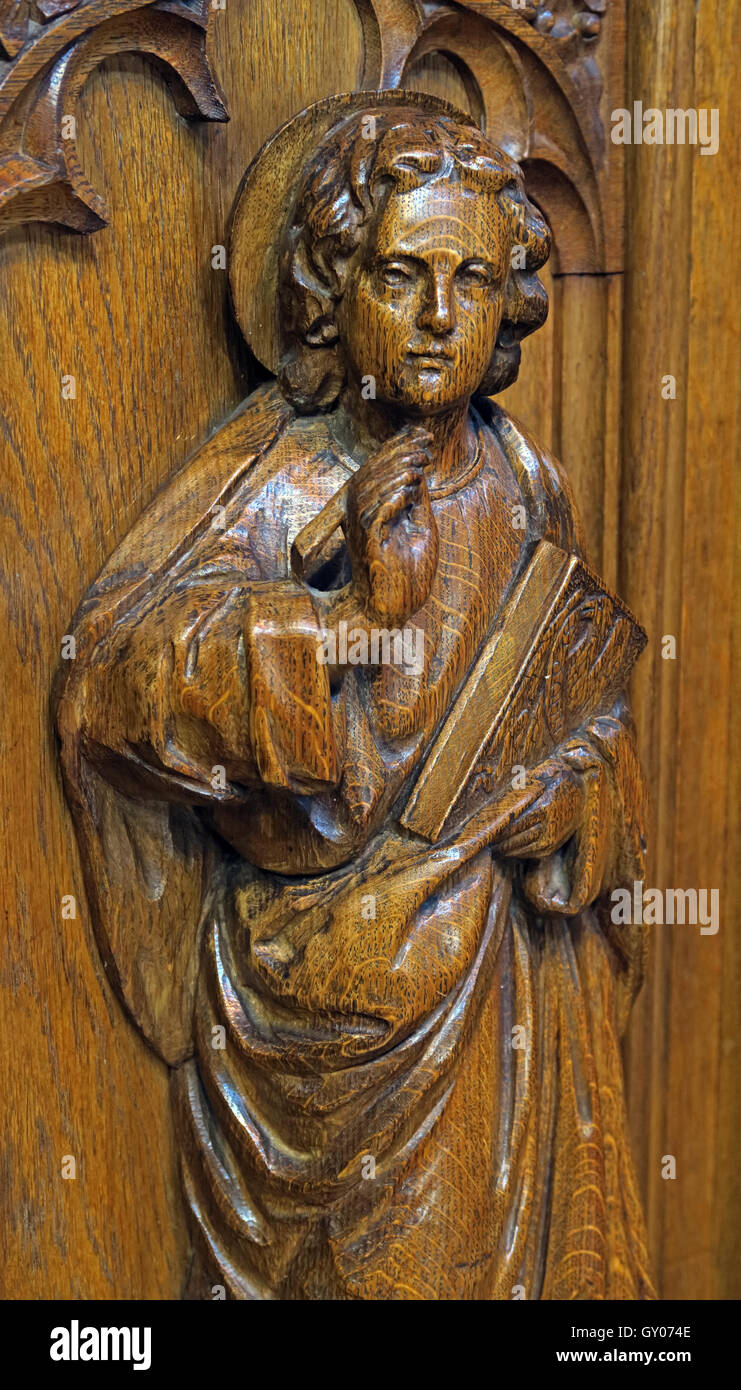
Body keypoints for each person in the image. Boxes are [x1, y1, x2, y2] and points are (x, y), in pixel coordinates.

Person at [56, 98, 654, 1299]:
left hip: (492, 993)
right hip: (316, 1011)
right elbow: (111, 678)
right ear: (333, 285)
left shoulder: (528, 480)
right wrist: (341, 626)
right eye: (402, 274)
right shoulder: (284, 477)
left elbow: (587, 706)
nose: (441, 318)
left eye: (474, 278)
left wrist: (575, 801)